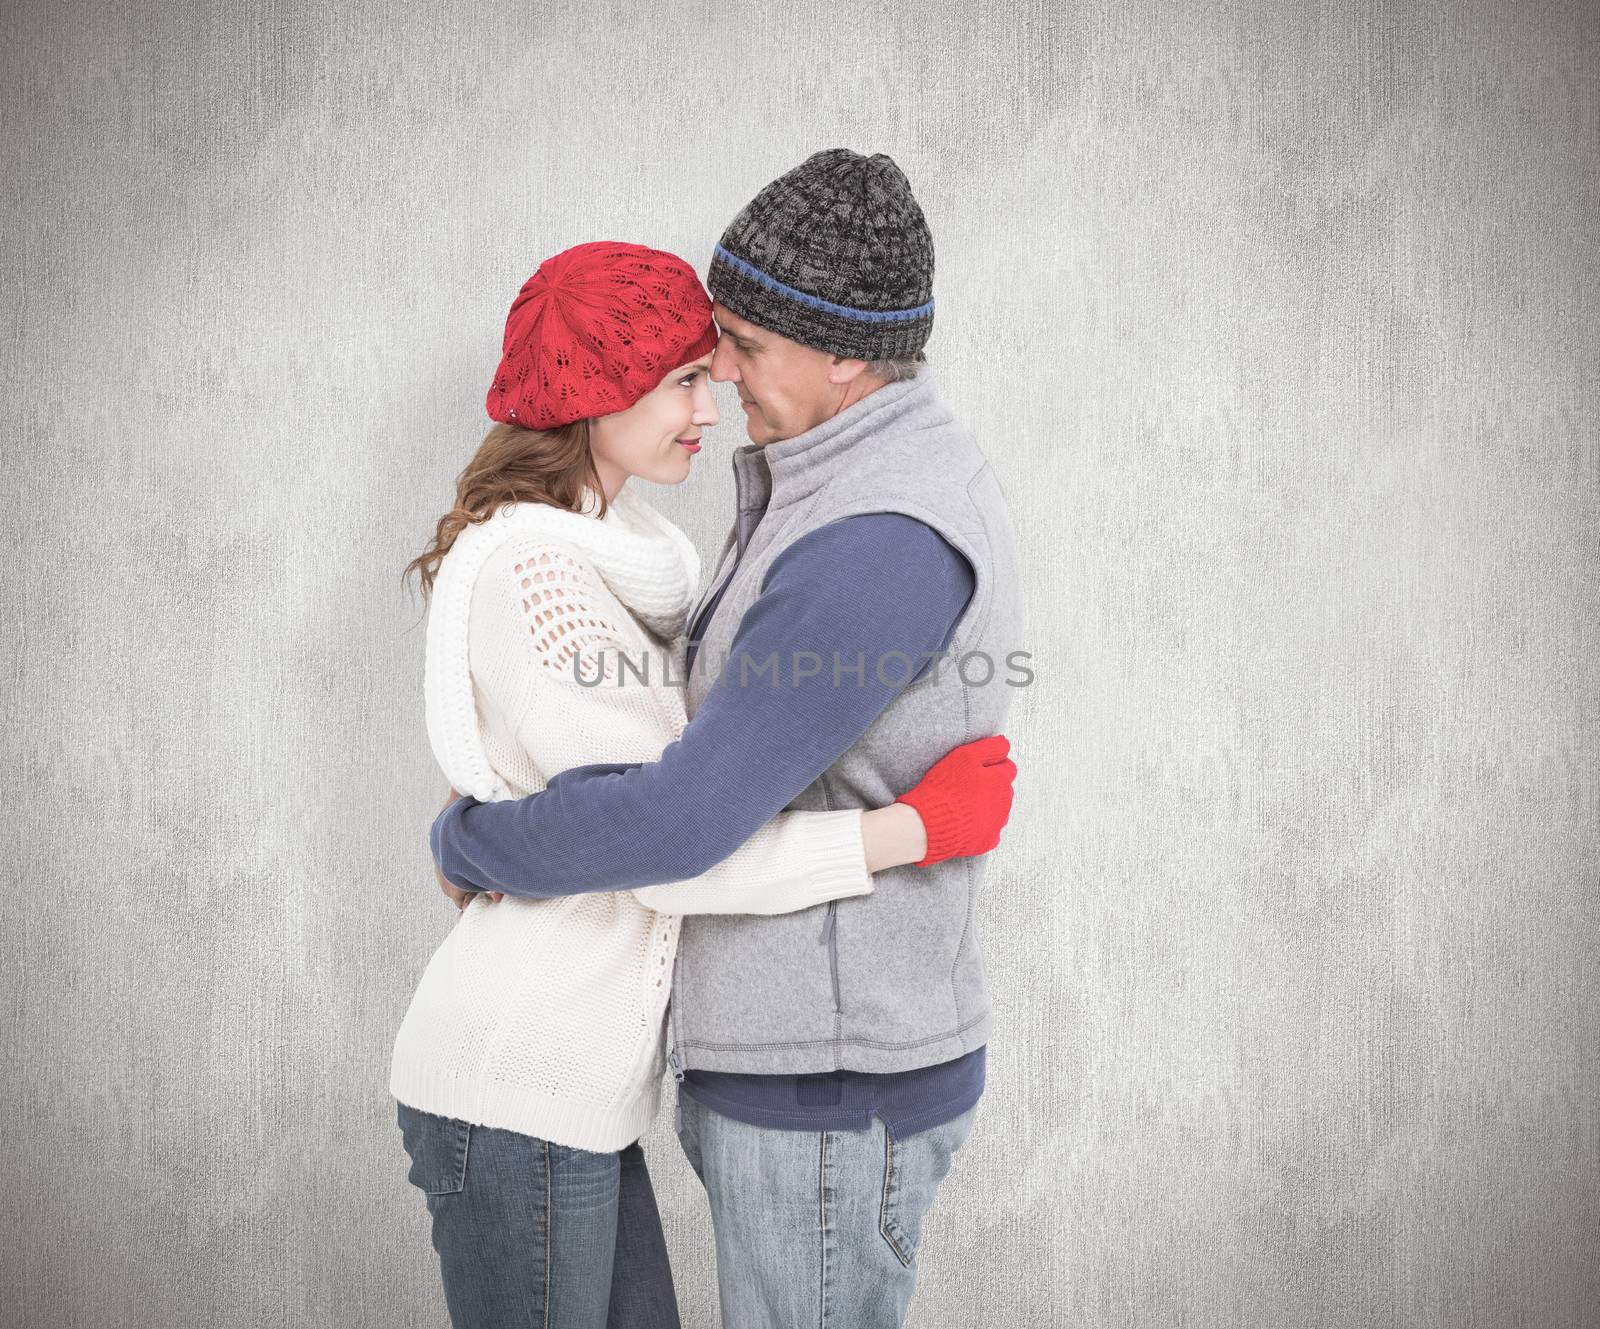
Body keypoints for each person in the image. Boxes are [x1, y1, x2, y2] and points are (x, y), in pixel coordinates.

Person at [429, 152, 1027, 1328]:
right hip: (779, 1071)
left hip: (827, 1082)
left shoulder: (873, 533)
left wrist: (473, 843)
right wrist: (908, 828)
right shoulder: (823, 488)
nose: (720, 374)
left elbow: (681, 819)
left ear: (844, 352)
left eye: (743, 346)